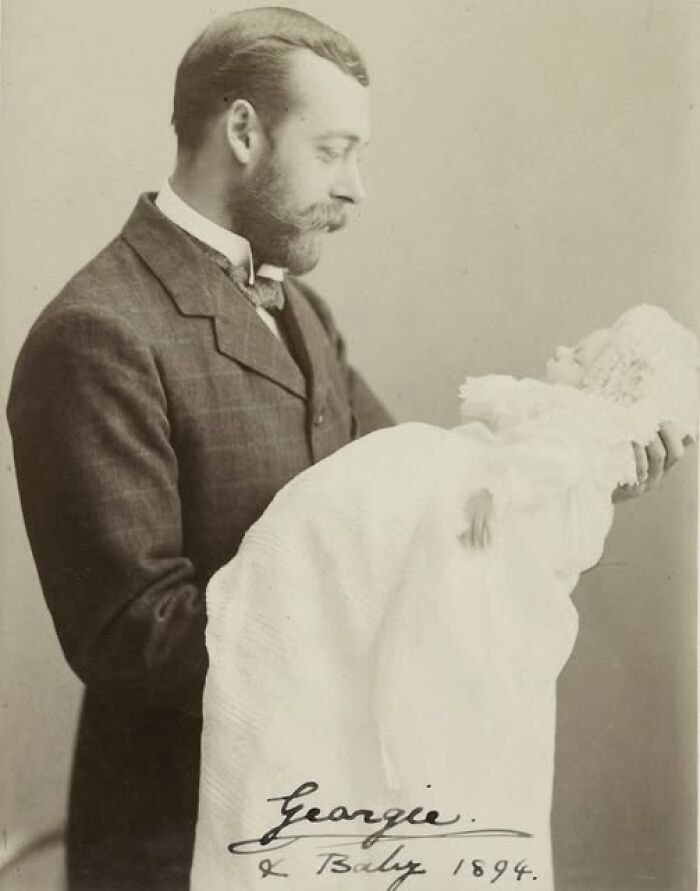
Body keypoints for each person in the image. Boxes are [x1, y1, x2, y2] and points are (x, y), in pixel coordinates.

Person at [5, 7, 689, 891]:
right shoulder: (97, 333)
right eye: (333, 151)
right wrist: (382, 623)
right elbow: (134, 641)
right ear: (243, 130)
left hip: (336, 834)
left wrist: (569, 475)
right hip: (189, 846)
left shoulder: (301, 312)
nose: (357, 186)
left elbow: (428, 516)